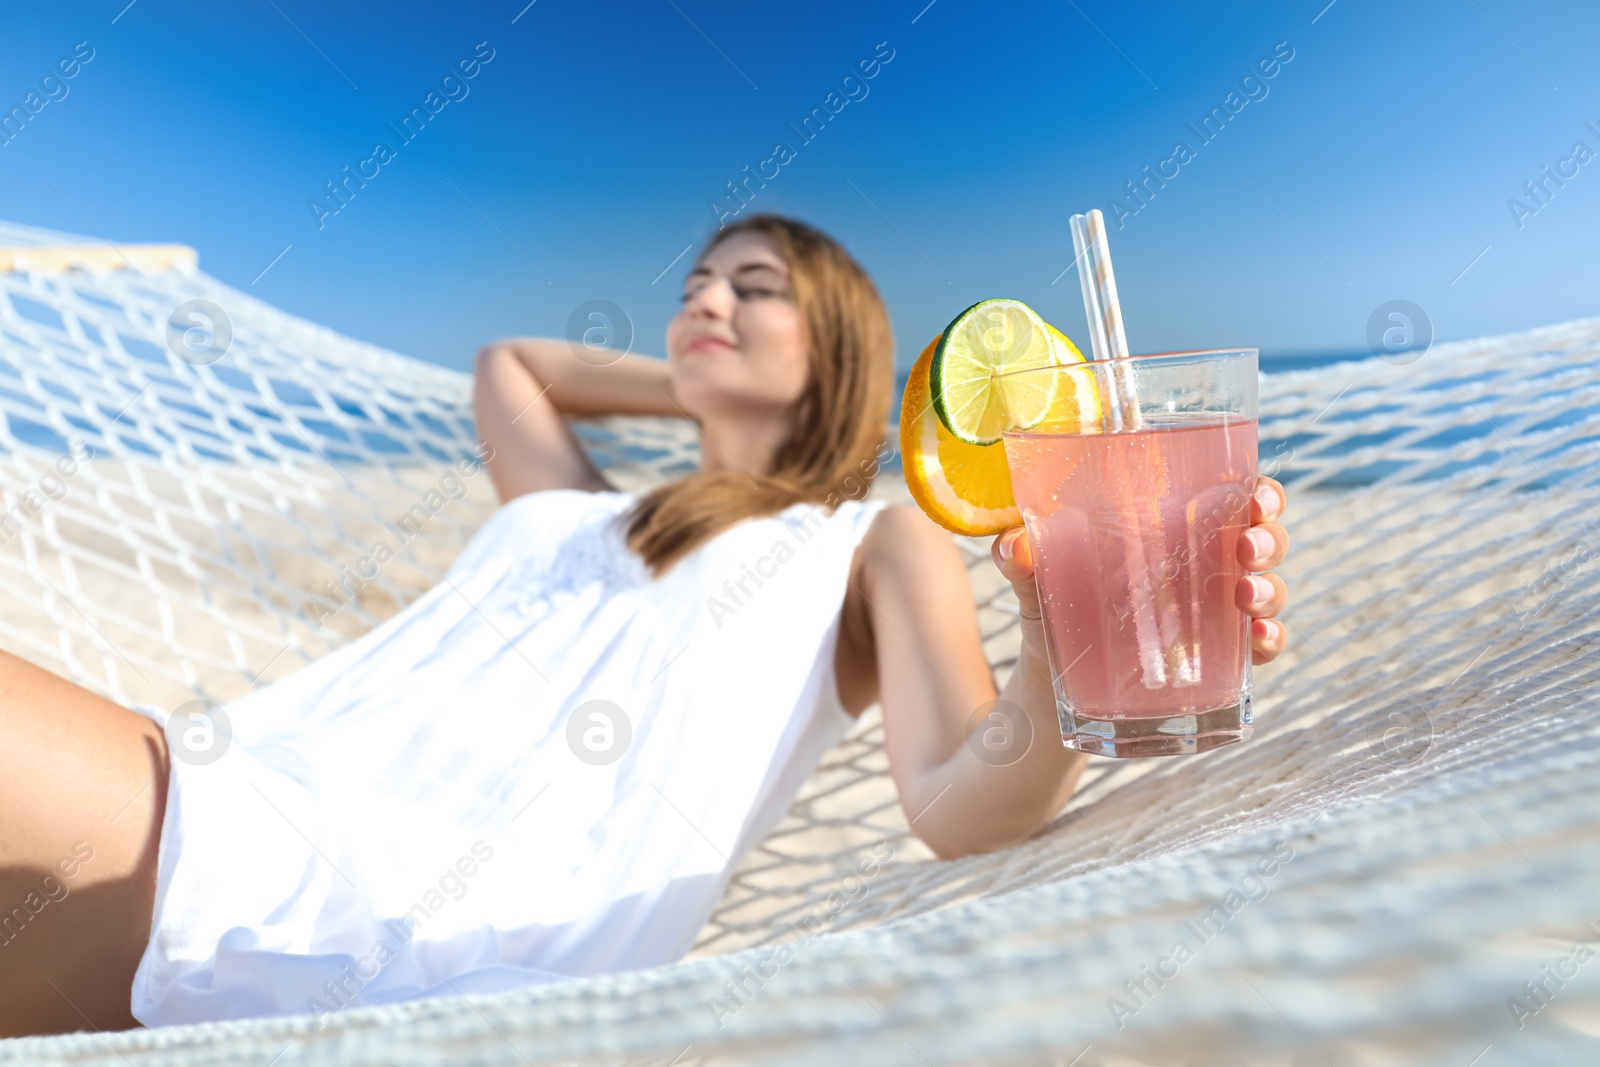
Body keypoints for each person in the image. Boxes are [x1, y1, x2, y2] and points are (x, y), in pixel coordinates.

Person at [0, 214, 1291, 1037]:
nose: (708, 301)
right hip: (223, 807)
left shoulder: (859, 542)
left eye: (757, 288)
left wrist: (1064, 653)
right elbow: (510, 363)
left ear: (836, 346)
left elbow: (961, 800)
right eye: (695, 285)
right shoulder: (577, 510)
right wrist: (700, 393)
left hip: (379, 914)